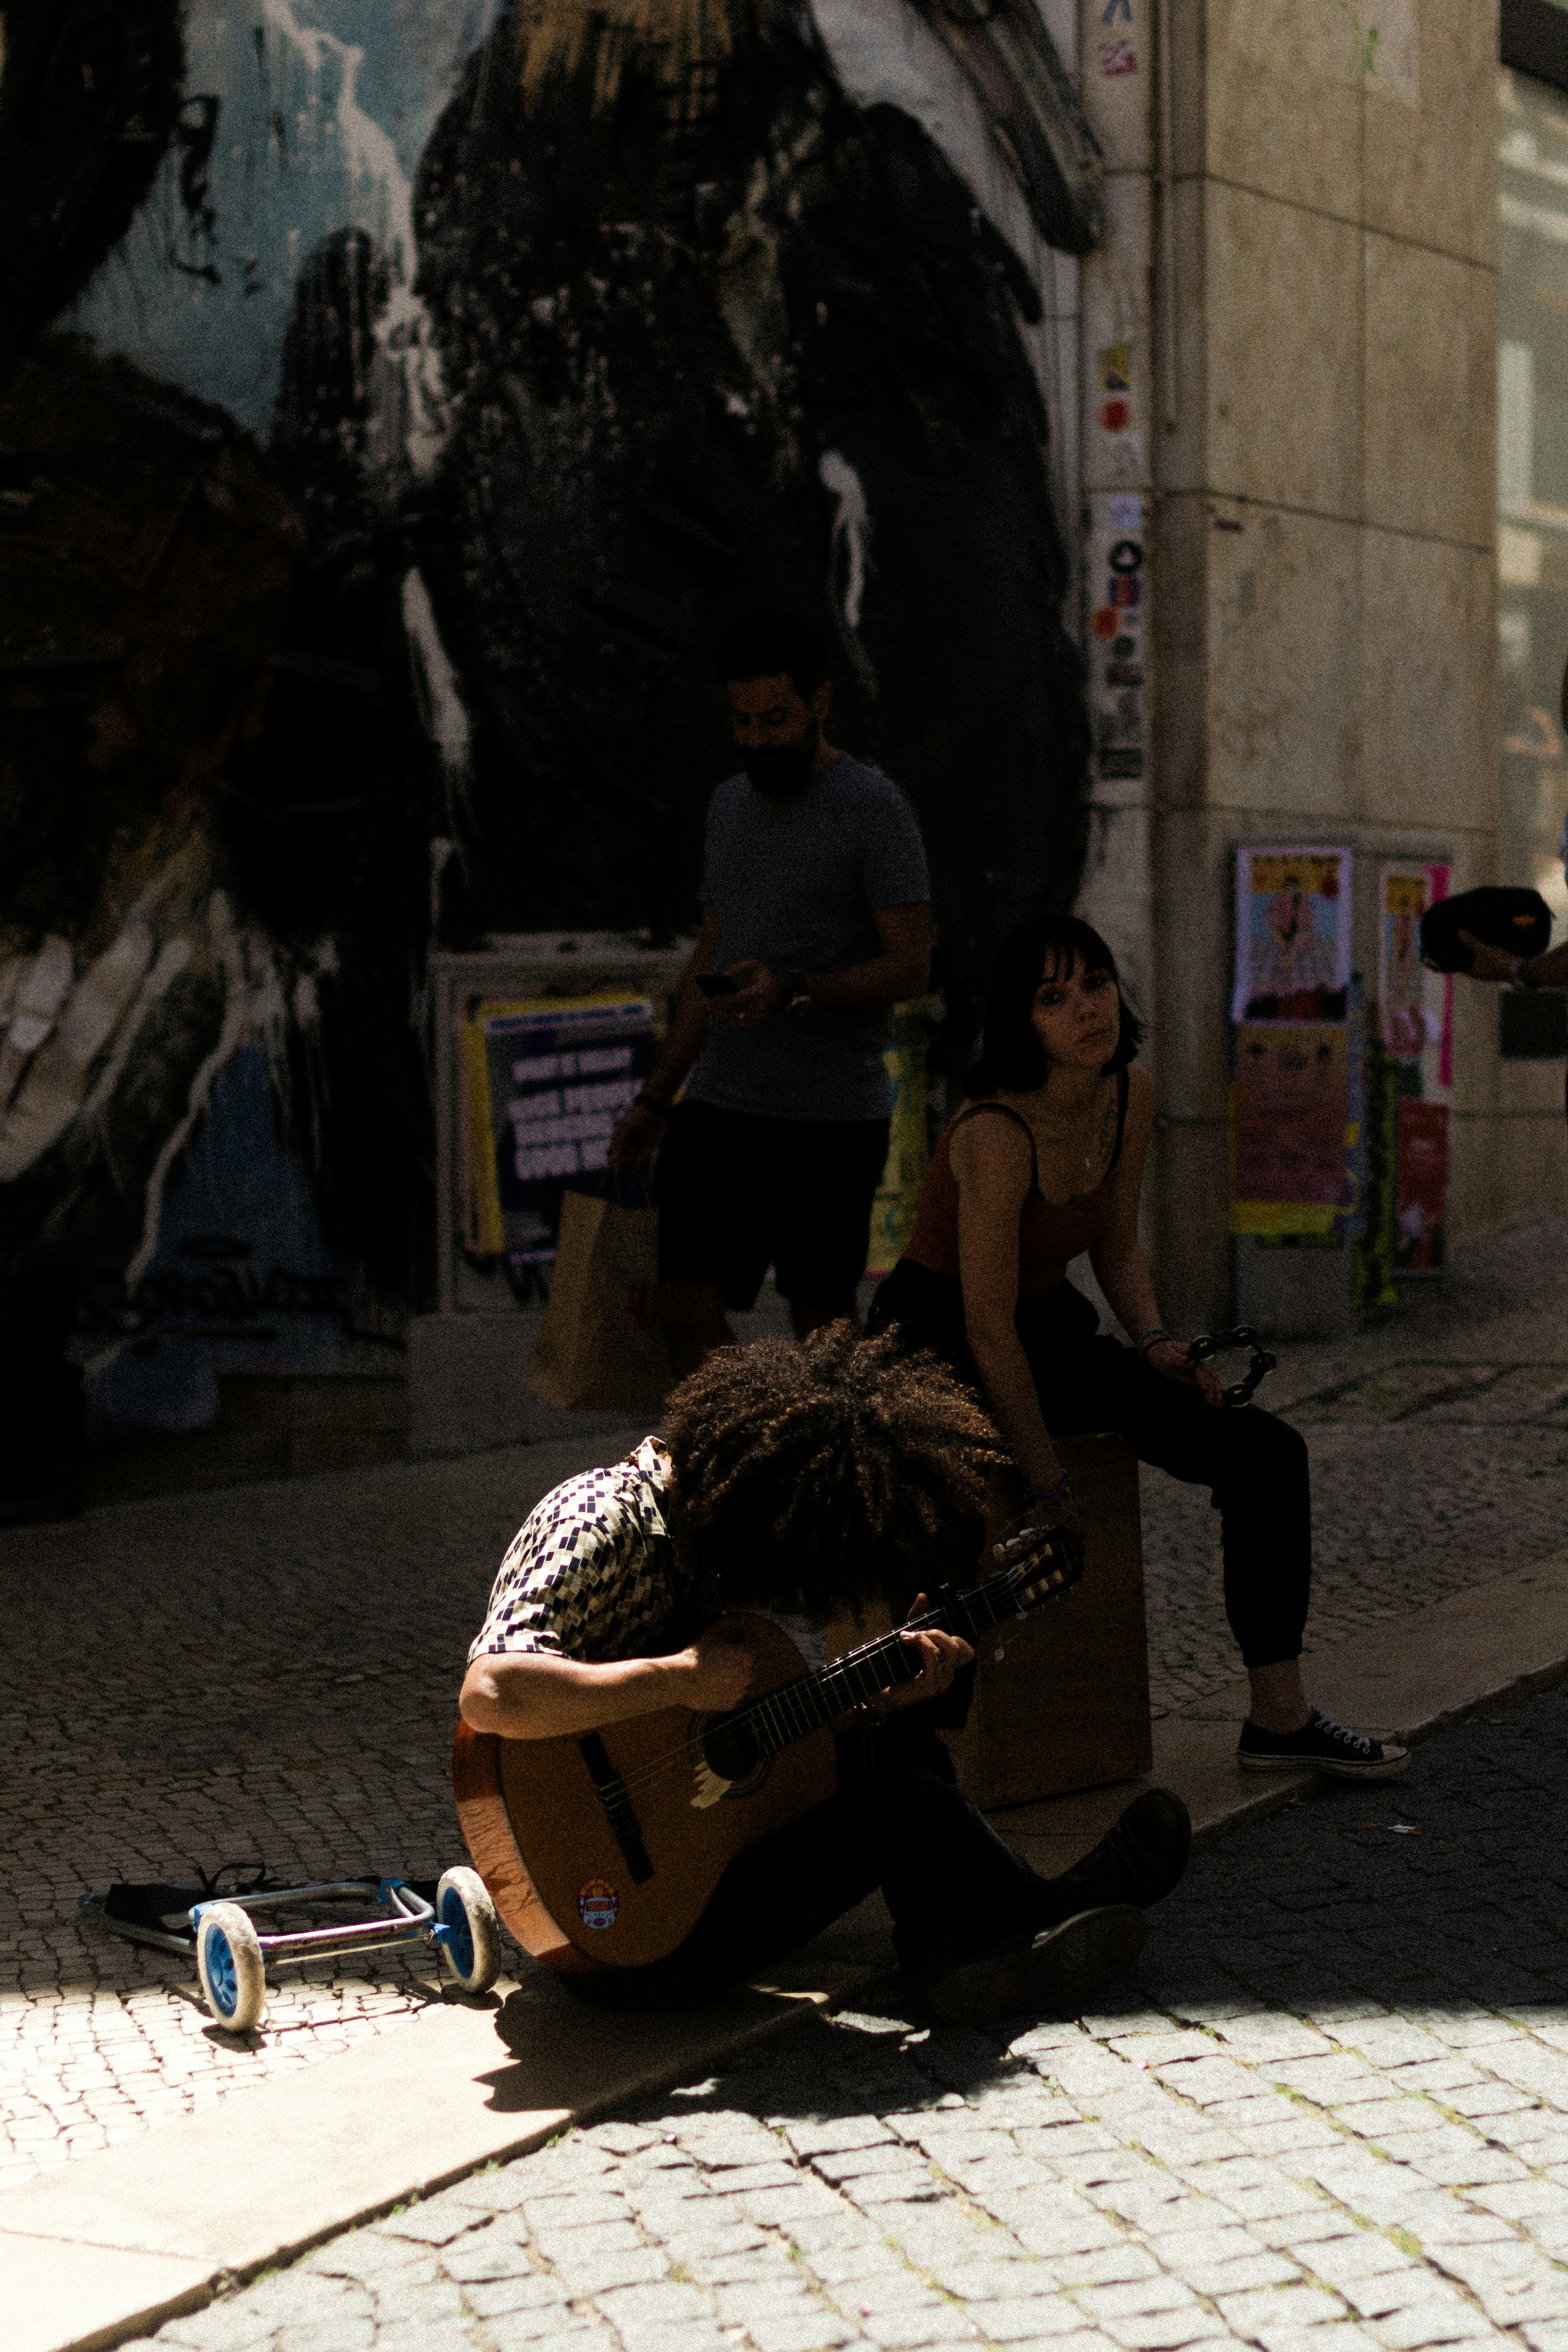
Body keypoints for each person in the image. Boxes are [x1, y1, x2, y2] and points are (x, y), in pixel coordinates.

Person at [459, 1322, 1192, 2027]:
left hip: (689, 1883)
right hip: (627, 1938)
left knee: (901, 1748)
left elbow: (726, 1752)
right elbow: (491, 1694)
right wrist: (678, 1679)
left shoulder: (698, 1541)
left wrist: (879, 1703)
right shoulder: (598, 1523)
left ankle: (950, 1957)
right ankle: (1038, 1916)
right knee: (901, 1805)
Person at [866, 908, 1409, 1783]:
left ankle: (1280, 1718)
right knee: (956, 1522)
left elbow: (1117, 1246)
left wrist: (1156, 1342)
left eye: (1096, 983)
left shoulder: (1130, 1092)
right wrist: (1048, 1482)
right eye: (1053, 998)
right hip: (931, 1340)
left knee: (1265, 1453)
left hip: (1045, 1321)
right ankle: (931, 1783)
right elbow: (986, 1329)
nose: (1087, 1009)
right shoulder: (993, 1133)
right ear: (1019, 1022)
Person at [607, 612, 931, 1374]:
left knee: (823, 1326)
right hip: (721, 1108)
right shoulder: (728, 806)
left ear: (820, 703)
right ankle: (758, 1433)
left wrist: (798, 991)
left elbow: (911, 966)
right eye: (742, 721)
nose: (756, 739)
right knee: (682, 1308)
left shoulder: (874, 809)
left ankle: (828, 1441)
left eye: (775, 719)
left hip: (832, 1120)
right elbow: (709, 957)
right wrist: (655, 1100)